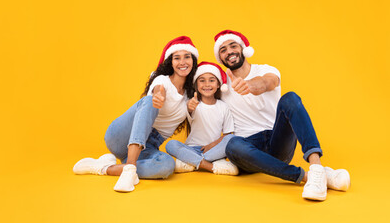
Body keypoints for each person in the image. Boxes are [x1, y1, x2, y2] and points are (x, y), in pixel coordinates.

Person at [212, 29, 350, 201]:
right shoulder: (220, 83)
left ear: (243, 49)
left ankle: (316, 166)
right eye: (223, 50)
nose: (229, 52)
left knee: (290, 98)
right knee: (232, 145)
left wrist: (250, 85)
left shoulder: (266, 69)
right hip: (248, 150)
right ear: (220, 58)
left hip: (277, 142)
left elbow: (268, 82)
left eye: (233, 46)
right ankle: (311, 177)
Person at [72, 36, 198, 192]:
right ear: (170, 62)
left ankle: (106, 168)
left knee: (166, 166)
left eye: (187, 57)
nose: (182, 62)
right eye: (177, 58)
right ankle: (130, 168)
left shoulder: (191, 94)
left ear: (193, 60)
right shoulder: (162, 81)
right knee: (149, 101)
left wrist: (192, 108)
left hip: (149, 145)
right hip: (121, 136)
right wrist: (159, 96)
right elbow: (159, 90)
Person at [165, 61, 238, 175]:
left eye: (212, 80)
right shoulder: (193, 103)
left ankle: (190, 162)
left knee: (231, 140)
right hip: (192, 148)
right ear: (196, 85)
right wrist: (189, 107)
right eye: (202, 80)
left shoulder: (223, 107)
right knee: (171, 145)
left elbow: (228, 135)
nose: (207, 84)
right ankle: (210, 166)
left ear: (218, 84)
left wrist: (211, 145)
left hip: (213, 150)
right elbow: (189, 109)